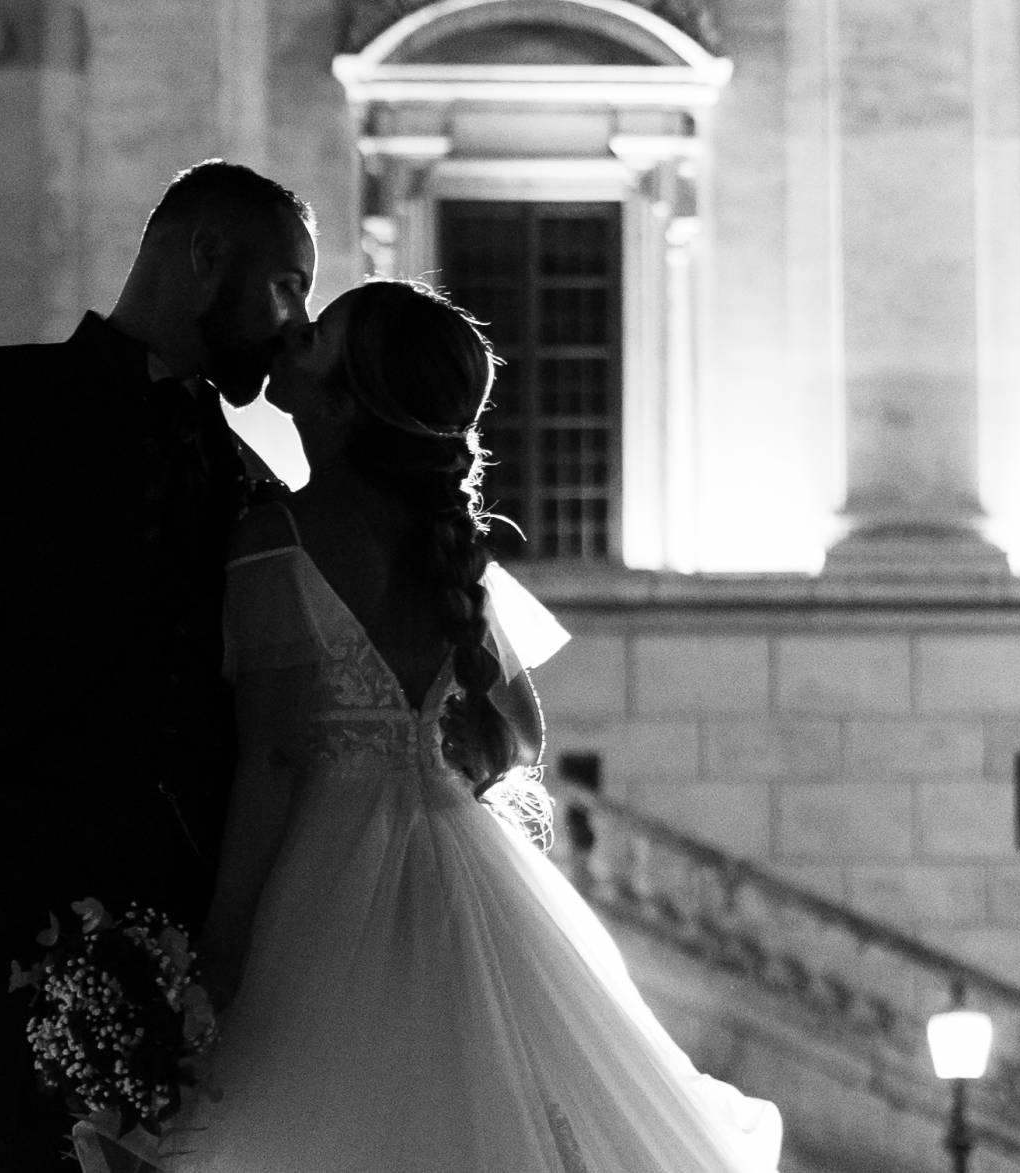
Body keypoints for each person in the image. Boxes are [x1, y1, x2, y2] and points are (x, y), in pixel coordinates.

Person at [156, 279, 784, 1173]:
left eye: (315, 336)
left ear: (340, 404)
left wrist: (221, 941)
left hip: (322, 871)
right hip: (458, 852)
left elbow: (275, 757)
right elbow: (520, 729)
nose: (291, 332)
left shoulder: (277, 534)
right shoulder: (442, 543)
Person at [0, 160, 317, 1173]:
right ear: (204, 255)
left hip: (184, 924)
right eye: (286, 285)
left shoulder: (250, 483)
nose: (296, 324)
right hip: (0, 891)